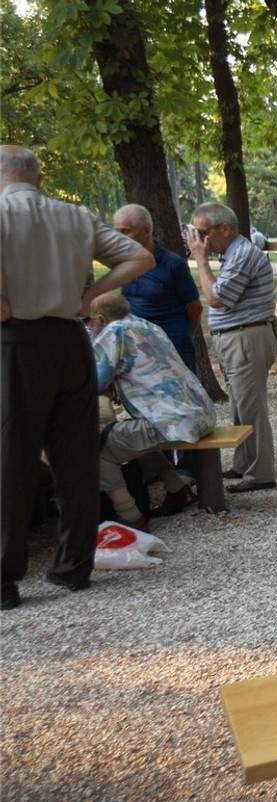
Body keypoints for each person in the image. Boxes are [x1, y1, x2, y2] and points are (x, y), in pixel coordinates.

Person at [0, 145, 153, 610]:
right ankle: (73, 567)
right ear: (38, 177)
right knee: (76, 457)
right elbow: (139, 258)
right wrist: (91, 294)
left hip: (16, 341)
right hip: (72, 341)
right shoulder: (75, 216)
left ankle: (4, 580)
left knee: (11, 458)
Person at [88, 293, 216, 529]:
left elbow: (95, 384)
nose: (90, 327)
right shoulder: (146, 325)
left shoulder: (113, 332)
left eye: (90, 322)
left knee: (94, 446)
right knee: (130, 438)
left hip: (173, 421)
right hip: (201, 413)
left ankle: (131, 517)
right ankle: (178, 489)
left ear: (101, 319)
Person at [187, 202, 277, 493]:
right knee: (240, 404)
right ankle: (243, 464)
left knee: (252, 408)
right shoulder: (232, 254)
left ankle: (261, 473)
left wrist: (200, 260)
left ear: (224, 228)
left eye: (203, 233)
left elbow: (217, 298)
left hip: (245, 339)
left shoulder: (240, 254)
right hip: (238, 337)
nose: (200, 240)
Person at [112, 205, 203, 373]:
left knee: (179, 398)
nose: (118, 237)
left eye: (125, 231)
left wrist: (180, 333)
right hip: (136, 346)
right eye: (116, 231)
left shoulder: (172, 264)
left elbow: (195, 307)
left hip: (172, 346)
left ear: (146, 230)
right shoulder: (122, 261)